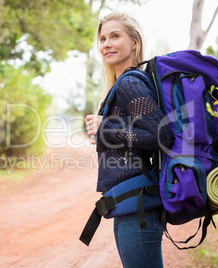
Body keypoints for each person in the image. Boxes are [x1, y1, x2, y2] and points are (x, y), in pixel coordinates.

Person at [85, 12, 174, 267]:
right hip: (130, 204)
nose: (106, 44)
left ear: (134, 42)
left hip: (139, 209)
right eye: (102, 39)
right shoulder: (121, 85)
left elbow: (162, 135)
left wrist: (108, 128)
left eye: (115, 36)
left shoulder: (129, 84)